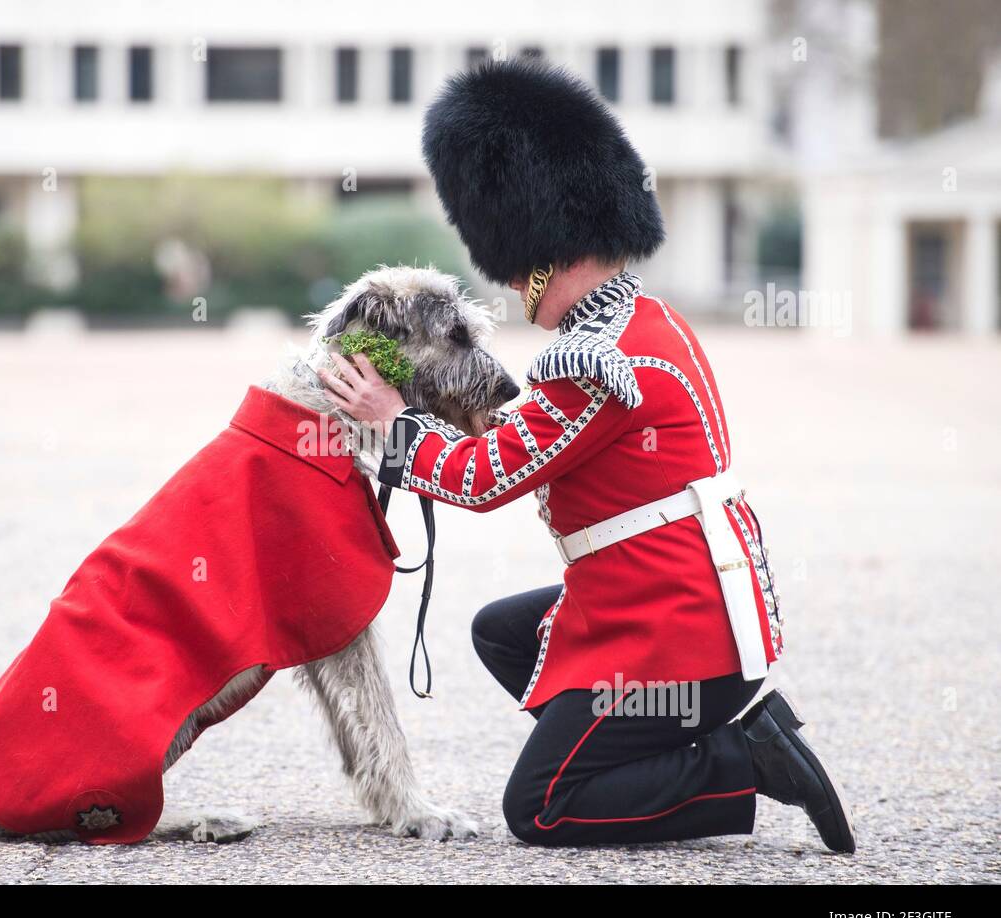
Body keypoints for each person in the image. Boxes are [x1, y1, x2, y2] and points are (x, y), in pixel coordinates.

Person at [320, 58, 854, 852]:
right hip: (681, 601)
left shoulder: (592, 363)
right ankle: (649, 756)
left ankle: (741, 758)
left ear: (540, 253)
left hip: (684, 635)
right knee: (503, 633)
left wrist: (392, 419)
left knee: (541, 808)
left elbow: (485, 477)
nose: (510, 291)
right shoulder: (647, 321)